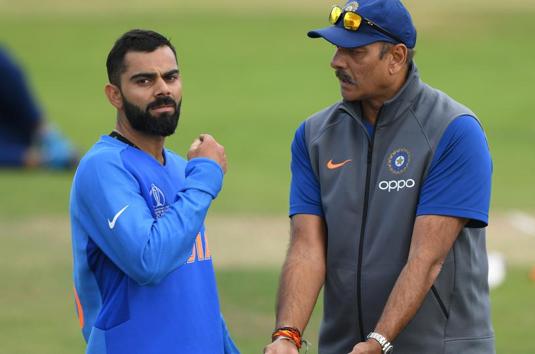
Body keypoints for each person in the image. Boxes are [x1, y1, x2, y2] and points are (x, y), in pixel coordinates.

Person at [264, 0, 494, 353]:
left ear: (397, 57)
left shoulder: (453, 131)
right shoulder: (314, 136)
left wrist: (379, 341)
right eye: (337, 48)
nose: (337, 61)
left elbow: (426, 258)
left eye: (355, 51)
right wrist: (287, 334)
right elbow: (307, 247)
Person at [69, 29, 239, 354]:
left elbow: (195, 285)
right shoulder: (102, 168)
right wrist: (205, 175)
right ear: (114, 94)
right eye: (144, 81)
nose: (163, 89)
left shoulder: (178, 168)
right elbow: (149, 260)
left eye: (171, 77)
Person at [0, 46, 78, 169]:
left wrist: (47, 132)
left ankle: (45, 148)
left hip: (20, 134)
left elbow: (12, 80)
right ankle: (42, 157)